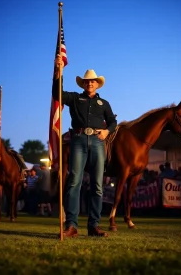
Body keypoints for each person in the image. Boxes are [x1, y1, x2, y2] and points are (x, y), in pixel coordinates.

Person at [52, 55, 117, 238]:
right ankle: (71, 225)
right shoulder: (74, 98)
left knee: (97, 185)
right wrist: (58, 73)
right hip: (78, 140)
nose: (90, 84)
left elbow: (113, 122)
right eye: (87, 81)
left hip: (97, 141)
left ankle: (93, 225)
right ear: (83, 84)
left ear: (97, 84)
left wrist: (107, 131)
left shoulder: (104, 103)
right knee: (74, 182)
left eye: (93, 81)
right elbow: (57, 94)